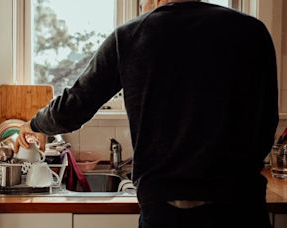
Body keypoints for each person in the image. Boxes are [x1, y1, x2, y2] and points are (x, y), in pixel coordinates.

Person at [16, 0, 278, 227]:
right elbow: (267, 122)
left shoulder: (131, 35)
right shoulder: (251, 31)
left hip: (165, 210)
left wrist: (34, 124)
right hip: (239, 206)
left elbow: (72, 108)